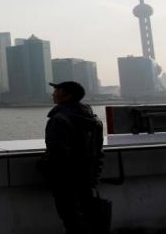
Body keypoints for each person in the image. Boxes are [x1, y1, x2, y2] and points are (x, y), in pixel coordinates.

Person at [39, 81, 104, 234]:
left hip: (66, 180)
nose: (53, 93)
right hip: (88, 178)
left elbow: (57, 153)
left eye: (57, 90)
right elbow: (98, 151)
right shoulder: (95, 120)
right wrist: (94, 176)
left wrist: (45, 166)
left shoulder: (59, 119)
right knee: (88, 217)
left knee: (71, 218)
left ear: (67, 96)